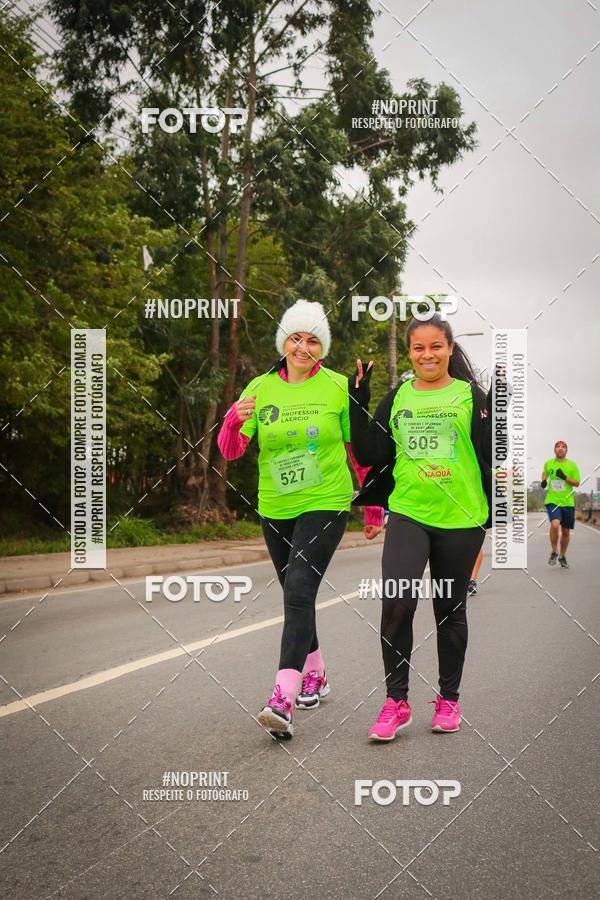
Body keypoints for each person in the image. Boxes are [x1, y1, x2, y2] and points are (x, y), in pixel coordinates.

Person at [217, 299, 383, 739]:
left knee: (298, 589)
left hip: (326, 501)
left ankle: (281, 698)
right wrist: (232, 421)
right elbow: (230, 450)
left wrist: (371, 505)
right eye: (296, 338)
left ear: (322, 347)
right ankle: (317, 673)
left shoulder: (336, 387)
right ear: (284, 342)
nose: (303, 347)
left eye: (312, 340)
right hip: (275, 504)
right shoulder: (260, 387)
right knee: (297, 595)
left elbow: (358, 451)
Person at [349, 313, 493, 741]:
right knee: (396, 603)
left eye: (435, 346)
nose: (427, 354)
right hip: (409, 513)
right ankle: (396, 702)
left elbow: (491, 452)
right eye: (418, 348)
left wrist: (500, 406)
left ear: (450, 349)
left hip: (461, 517)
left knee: (449, 611)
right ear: (410, 353)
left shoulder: (472, 396)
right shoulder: (397, 398)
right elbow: (368, 450)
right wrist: (359, 398)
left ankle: (449, 699)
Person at [541, 441, 580, 568]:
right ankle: (554, 551)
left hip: (567, 502)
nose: (560, 449)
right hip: (552, 500)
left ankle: (562, 556)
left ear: (566, 450)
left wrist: (564, 477)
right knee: (555, 523)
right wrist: (543, 481)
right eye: (558, 446)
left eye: (563, 447)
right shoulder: (549, 463)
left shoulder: (572, 465)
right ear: (555, 450)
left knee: (566, 532)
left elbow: (577, 483)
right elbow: (545, 472)